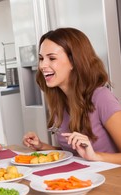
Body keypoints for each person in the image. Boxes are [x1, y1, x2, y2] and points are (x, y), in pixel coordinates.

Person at [22, 27, 121, 164]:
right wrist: (42, 147)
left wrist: (96, 156)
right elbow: (74, 154)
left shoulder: (101, 98)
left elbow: (89, 156)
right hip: (80, 179)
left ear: (74, 61)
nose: (42, 65)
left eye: (51, 58)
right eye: (41, 58)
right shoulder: (60, 99)